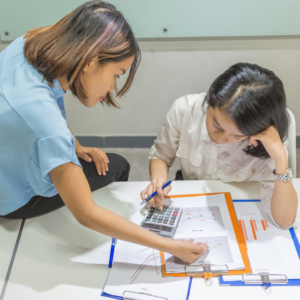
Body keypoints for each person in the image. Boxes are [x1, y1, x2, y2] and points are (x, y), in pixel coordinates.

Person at [0, 1, 208, 263]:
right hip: (9, 198)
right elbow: (86, 213)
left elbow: (43, 108)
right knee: (117, 166)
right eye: (117, 74)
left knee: (95, 161)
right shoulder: (49, 128)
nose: (112, 87)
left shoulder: (28, 43)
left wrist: (73, 145)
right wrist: (170, 246)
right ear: (89, 60)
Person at [142, 62, 299, 229]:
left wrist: (281, 159)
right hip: (196, 204)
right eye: (216, 124)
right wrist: (158, 180)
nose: (221, 138)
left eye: (237, 135)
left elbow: (284, 221)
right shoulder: (184, 111)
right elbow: (161, 155)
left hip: (242, 210)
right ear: (209, 99)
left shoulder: (267, 138)